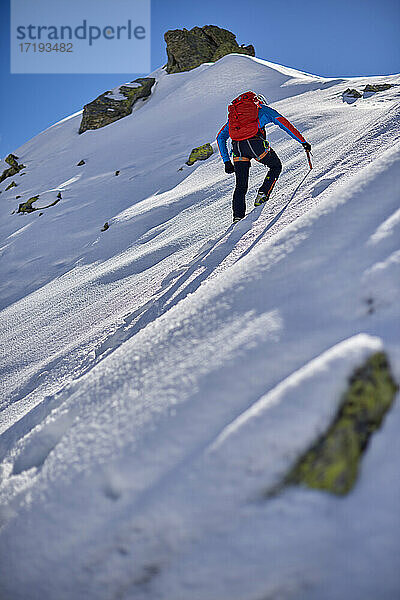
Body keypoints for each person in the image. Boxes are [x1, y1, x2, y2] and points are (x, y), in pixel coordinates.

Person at [216, 91, 311, 223]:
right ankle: (263, 193)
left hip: (237, 148)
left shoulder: (236, 117)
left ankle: (237, 217)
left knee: (240, 186)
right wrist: (303, 141)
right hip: (255, 145)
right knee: (275, 165)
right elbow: (284, 124)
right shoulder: (263, 110)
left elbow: (220, 137)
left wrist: (226, 161)